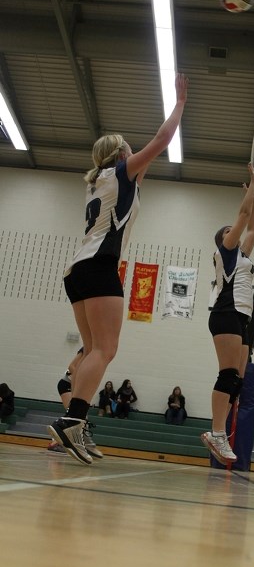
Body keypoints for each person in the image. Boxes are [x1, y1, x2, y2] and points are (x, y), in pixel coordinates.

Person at [48, 73, 188, 464]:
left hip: (76, 271)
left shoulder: (101, 181)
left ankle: (78, 425)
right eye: (128, 147)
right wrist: (179, 104)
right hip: (99, 268)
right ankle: (71, 420)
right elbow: (160, 142)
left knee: (92, 351)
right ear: (122, 153)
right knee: (106, 350)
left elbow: (143, 170)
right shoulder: (121, 172)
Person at [201, 162, 254, 465]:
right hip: (225, 312)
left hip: (241, 316)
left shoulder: (243, 256)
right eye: (227, 231)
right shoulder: (225, 249)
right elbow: (242, 217)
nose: (232, 230)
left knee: (237, 379)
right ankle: (216, 432)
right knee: (227, 374)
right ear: (223, 238)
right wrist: (251, 187)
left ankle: (219, 432)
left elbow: (253, 227)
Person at [48, 348, 103, 458]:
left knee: (79, 416)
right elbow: (71, 366)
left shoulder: (96, 354)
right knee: (78, 416)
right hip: (67, 384)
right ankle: (58, 441)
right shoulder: (87, 349)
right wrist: (78, 384)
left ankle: (84, 443)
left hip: (74, 386)